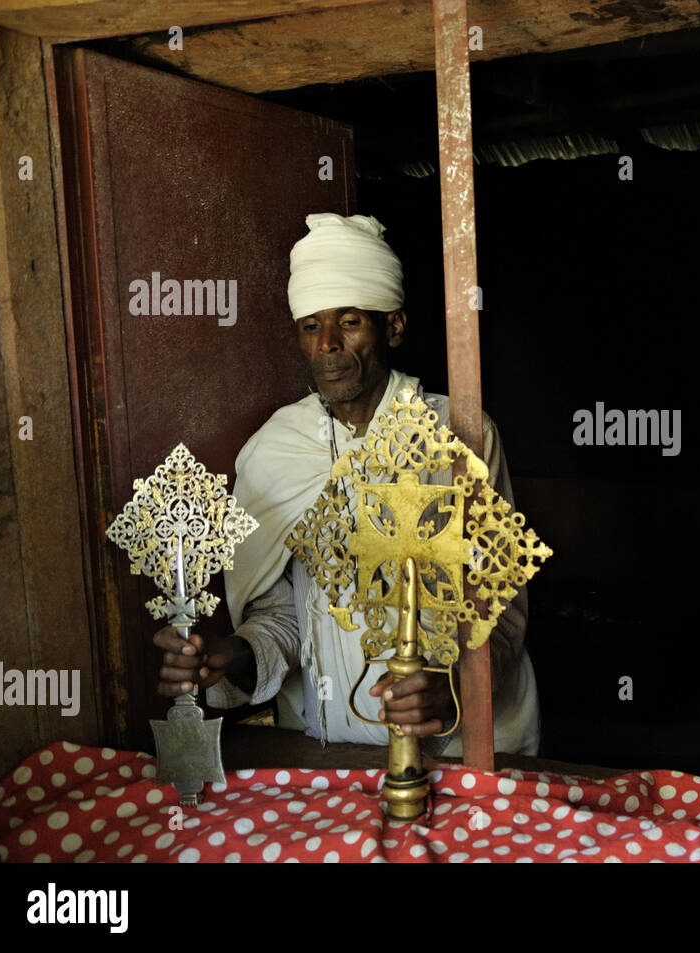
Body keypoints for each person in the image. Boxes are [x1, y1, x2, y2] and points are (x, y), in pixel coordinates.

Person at [153, 213, 540, 757]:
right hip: (332, 746)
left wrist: (451, 685)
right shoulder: (273, 453)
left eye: (350, 322)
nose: (328, 344)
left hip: (464, 744)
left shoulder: (457, 434)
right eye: (311, 326)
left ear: (394, 328)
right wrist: (229, 657)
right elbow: (281, 616)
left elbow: (499, 603)